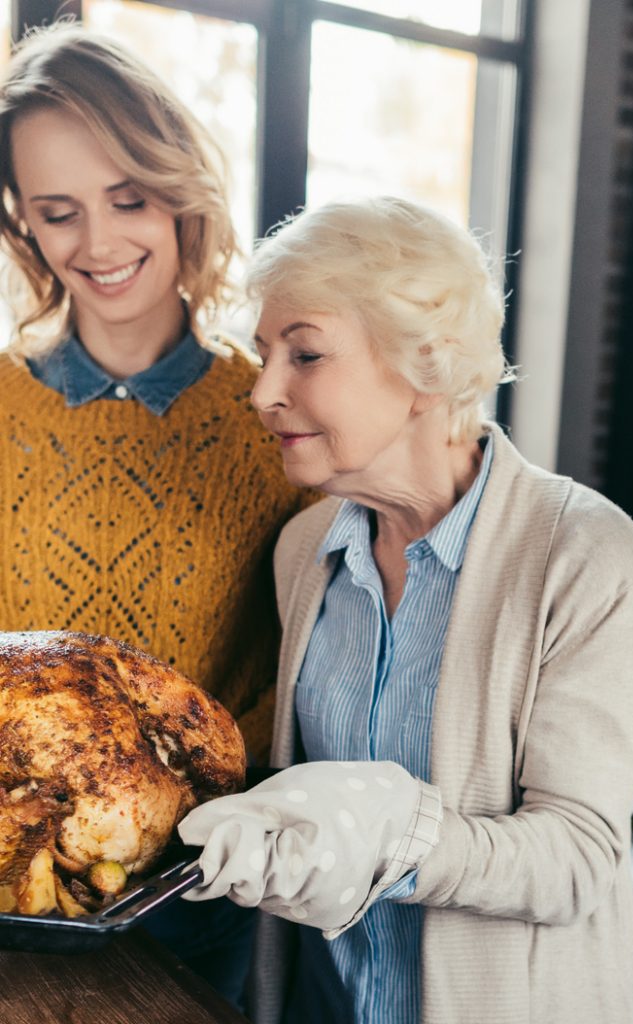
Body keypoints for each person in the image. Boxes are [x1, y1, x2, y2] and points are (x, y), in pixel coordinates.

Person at [176, 195, 633, 1024]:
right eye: (265, 356)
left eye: (305, 355)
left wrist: (397, 833)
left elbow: (579, 860)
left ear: (425, 366)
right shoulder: (302, 551)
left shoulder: (585, 553)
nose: (262, 392)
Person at [0, 23, 310, 1006]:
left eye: (127, 199)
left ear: (181, 193)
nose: (97, 243)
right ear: (24, 225)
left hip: (193, 902)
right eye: (58, 211)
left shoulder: (279, 419)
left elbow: (306, 665)